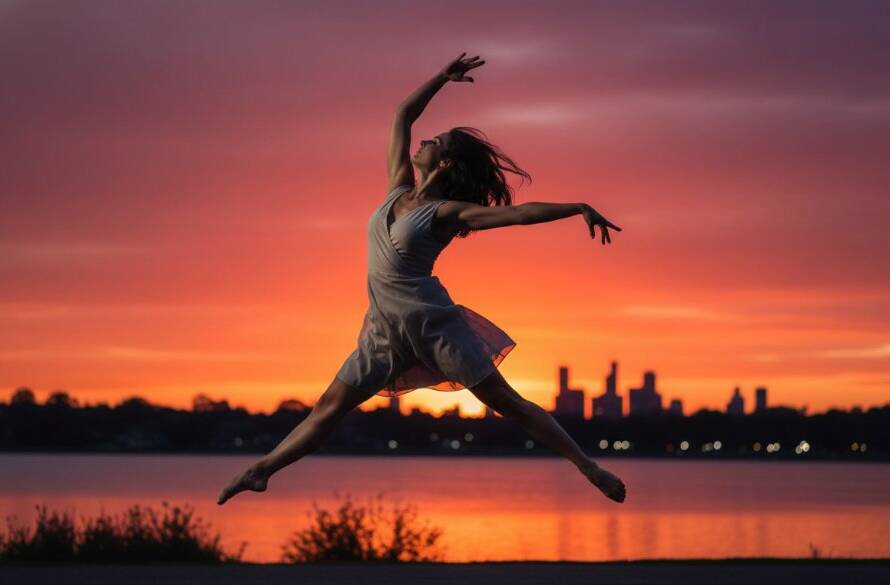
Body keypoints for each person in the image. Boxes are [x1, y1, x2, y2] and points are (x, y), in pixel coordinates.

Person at [218, 53, 626, 505]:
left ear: (446, 164)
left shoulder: (446, 213)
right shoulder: (397, 186)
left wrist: (576, 208)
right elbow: (403, 115)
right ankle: (261, 469)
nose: (426, 139)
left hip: (433, 325)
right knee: (328, 410)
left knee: (507, 403)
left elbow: (517, 214)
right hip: (382, 331)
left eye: (437, 141)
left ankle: (589, 468)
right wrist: (443, 79)